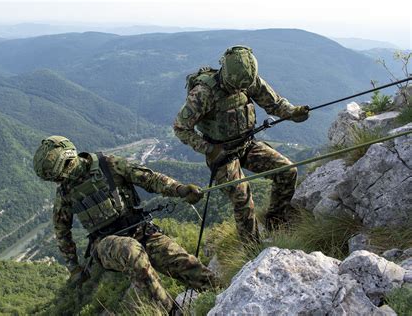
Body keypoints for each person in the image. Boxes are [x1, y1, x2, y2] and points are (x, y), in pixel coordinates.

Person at [33, 135, 218, 312]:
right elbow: (62, 232)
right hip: (105, 244)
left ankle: (220, 292)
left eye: (60, 174)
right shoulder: (65, 194)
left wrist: (180, 189)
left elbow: (150, 179)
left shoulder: (109, 165)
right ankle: (171, 312)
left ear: (68, 160)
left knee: (181, 262)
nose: (61, 180)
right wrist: (74, 268)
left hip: (139, 229)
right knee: (131, 252)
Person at [173, 45, 309, 241]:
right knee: (242, 198)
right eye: (234, 86)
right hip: (222, 154)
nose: (239, 89)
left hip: (246, 144)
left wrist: (293, 112)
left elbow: (274, 103)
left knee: (288, 171)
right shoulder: (203, 93)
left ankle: (275, 221)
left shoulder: (247, 79)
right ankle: (251, 248)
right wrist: (210, 149)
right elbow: (180, 128)